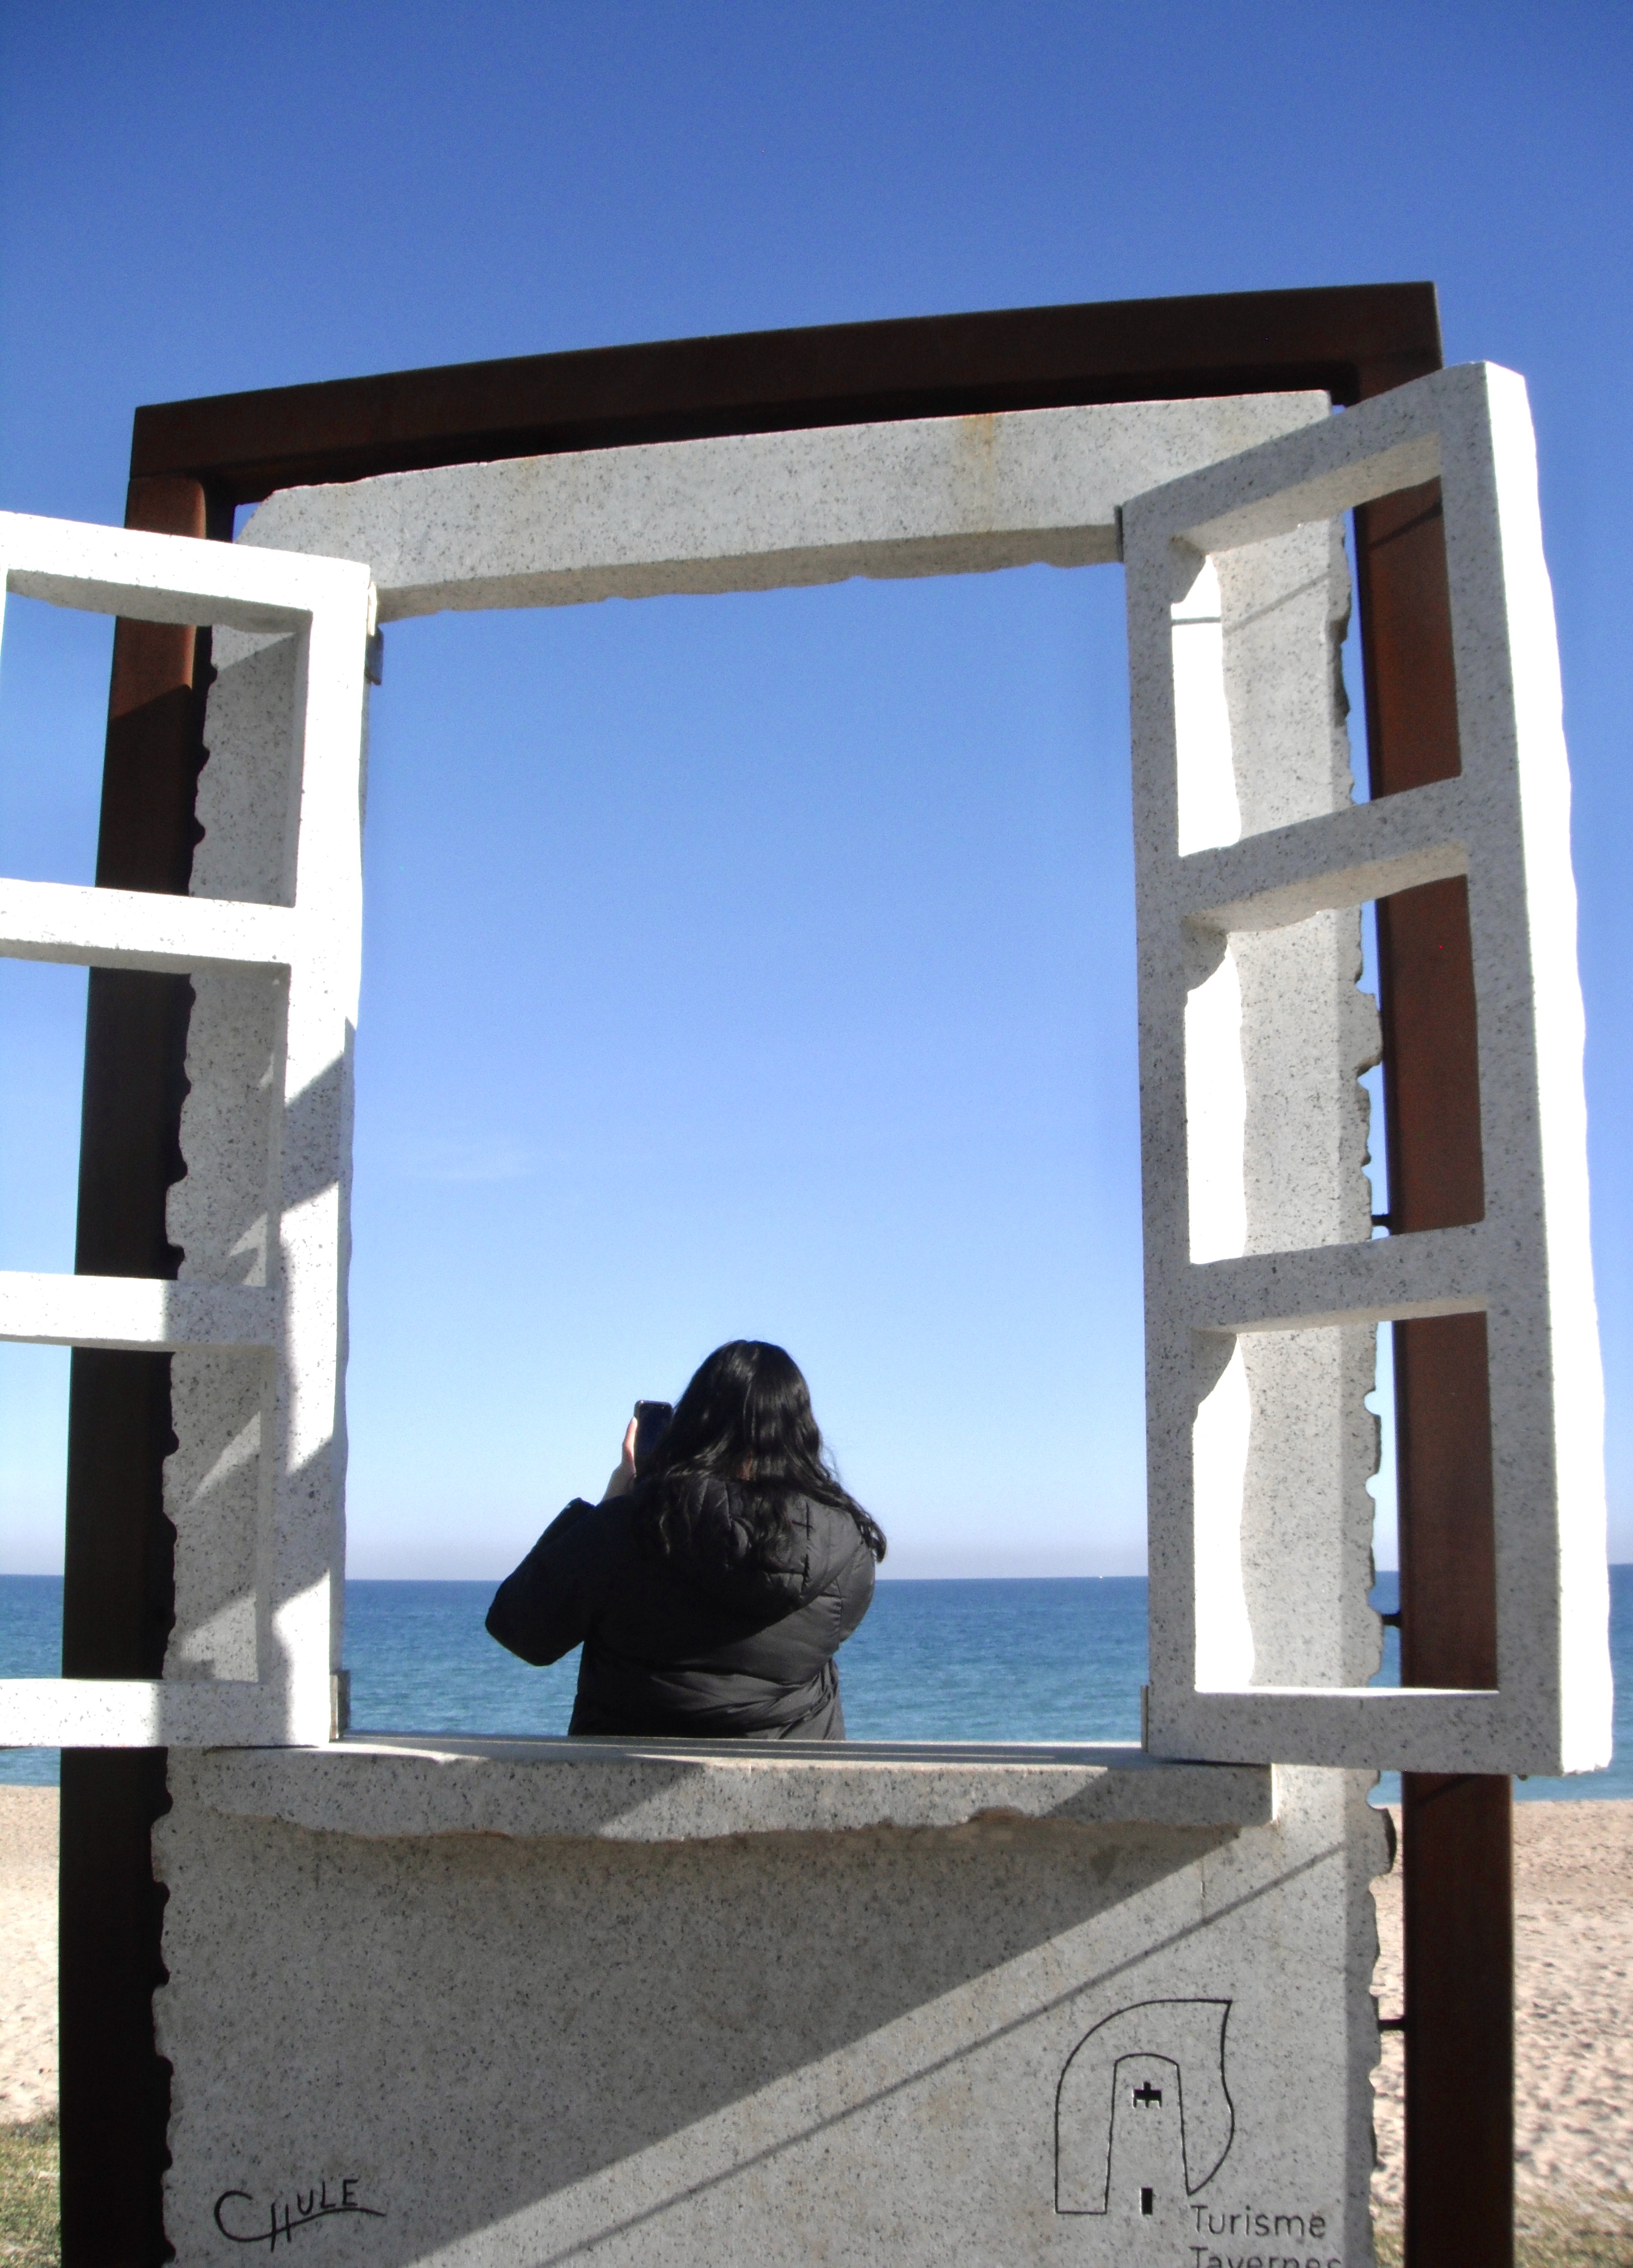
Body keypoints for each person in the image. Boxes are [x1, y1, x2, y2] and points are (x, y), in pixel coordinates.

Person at [486, 1340, 886, 1739]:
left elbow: (522, 1628)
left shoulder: (627, 1527)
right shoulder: (845, 1550)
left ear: (693, 1421)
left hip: (624, 1791)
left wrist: (611, 1502)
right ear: (799, 1433)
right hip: (792, 1794)